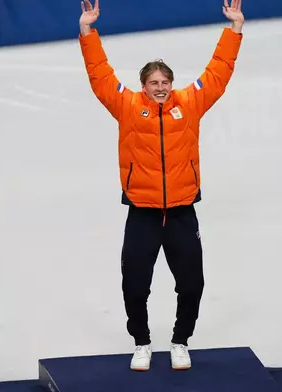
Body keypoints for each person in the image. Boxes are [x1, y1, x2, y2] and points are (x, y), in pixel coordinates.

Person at [77, 0, 244, 372]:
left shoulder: (190, 102)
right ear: (143, 86)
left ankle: (181, 341)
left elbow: (217, 73)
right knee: (135, 285)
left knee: (192, 284)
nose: (160, 89)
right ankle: (141, 342)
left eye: (165, 83)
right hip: (143, 212)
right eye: (154, 83)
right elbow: (100, 77)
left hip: (183, 210)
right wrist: (88, 32)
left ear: (172, 84)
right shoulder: (126, 106)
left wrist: (234, 29)